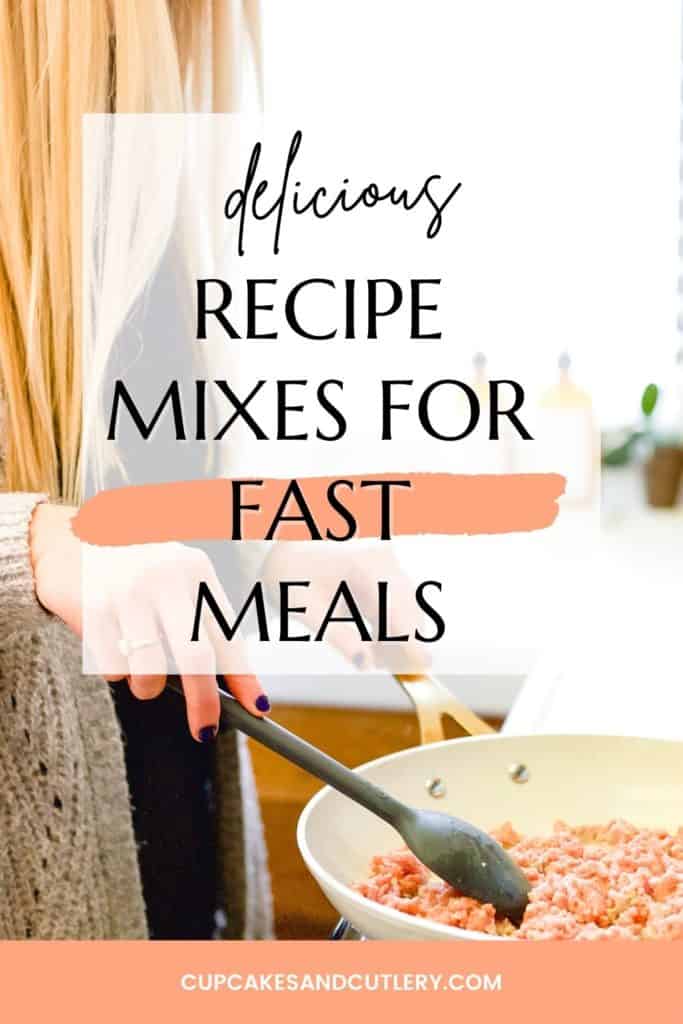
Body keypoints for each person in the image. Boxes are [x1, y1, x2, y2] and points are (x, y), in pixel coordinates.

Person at [0, 0, 425, 941]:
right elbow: (67, 539)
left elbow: (142, 485)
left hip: (176, 853)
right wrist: (35, 546)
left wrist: (269, 538)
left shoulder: (138, 142)